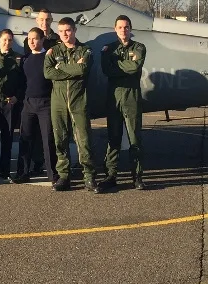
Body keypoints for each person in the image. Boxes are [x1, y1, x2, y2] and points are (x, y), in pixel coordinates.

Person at [45, 16, 98, 192]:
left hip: (78, 100)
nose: (64, 34)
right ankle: (64, 176)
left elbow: (83, 69)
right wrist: (72, 70)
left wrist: (61, 68)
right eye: (61, 31)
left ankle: (89, 177)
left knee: (83, 139)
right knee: (60, 139)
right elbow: (48, 73)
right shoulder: (53, 51)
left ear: (74, 30)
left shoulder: (85, 50)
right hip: (58, 101)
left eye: (68, 30)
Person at [101, 15, 147, 191]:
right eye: (120, 27)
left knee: (135, 137)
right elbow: (106, 70)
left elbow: (135, 67)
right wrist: (125, 65)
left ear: (130, 29)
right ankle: (111, 175)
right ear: (115, 29)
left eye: (126, 27)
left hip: (131, 97)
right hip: (114, 97)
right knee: (113, 138)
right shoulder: (108, 49)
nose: (123, 30)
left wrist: (117, 64)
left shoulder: (139, 47)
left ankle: (137, 176)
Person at [18, 27, 57, 183]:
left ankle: (53, 175)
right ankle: (23, 173)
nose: (32, 42)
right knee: (25, 138)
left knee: (48, 140)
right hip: (28, 103)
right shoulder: (25, 59)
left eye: (35, 38)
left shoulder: (49, 57)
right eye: (29, 39)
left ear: (42, 40)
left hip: (45, 103)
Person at [0, 28, 24, 182]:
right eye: (4, 40)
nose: (7, 43)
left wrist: (17, 97)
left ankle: (5, 171)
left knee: (8, 139)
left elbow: (23, 82)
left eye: (9, 40)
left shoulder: (18, 59)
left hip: (9, 104)